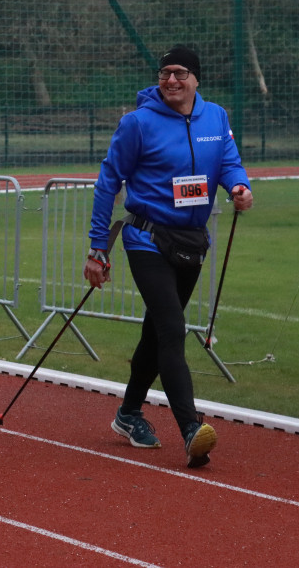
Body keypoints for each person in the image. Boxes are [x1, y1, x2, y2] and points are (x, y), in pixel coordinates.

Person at [84, 45, 253, 469]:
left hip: (192, 242)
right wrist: (96, 247)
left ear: (197, 79)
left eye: (179, 73)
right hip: (147, 239)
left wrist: (238, 186)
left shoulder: (216, 117)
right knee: (173, 330)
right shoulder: (137, 123)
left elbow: (229, 163)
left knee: (156, 334)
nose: (171, 81)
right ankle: (192, 429)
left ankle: (128, 414)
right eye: (164, 74)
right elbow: (108, 182)